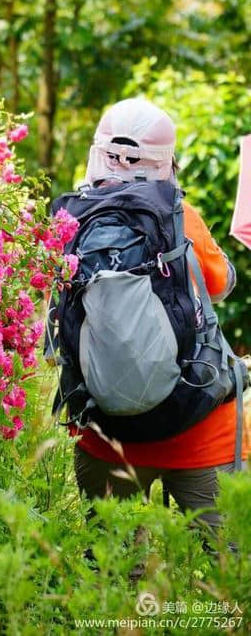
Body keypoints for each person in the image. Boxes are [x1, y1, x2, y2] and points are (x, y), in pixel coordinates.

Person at [59, 98, 247, 534]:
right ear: (167, 161)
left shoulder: (70, 223)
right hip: (200, 432)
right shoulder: (181, 217)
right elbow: (220, 284)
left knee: (113, 577)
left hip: (106, 438)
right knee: (228, 575)